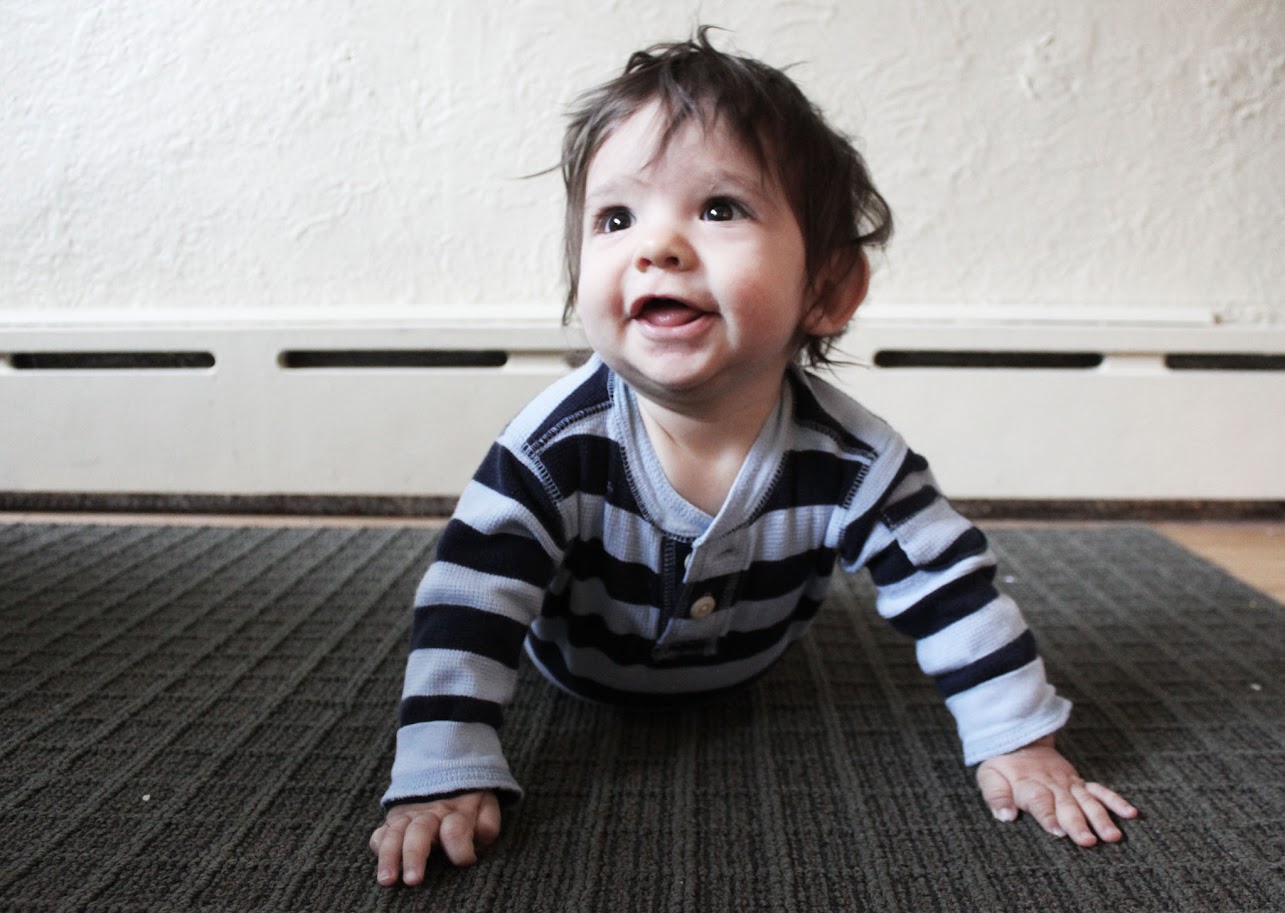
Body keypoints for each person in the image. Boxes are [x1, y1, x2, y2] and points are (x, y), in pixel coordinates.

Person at [370, 27, 1138, 887]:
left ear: (826, 290)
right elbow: (468, 604)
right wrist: (446, 766)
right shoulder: (553, 451)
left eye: (719, 208)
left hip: (752, 675)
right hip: (573, 671)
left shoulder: (855, 460)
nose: (655, 246)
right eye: (615, 218)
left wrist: (1019, 740)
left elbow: (951, 587)